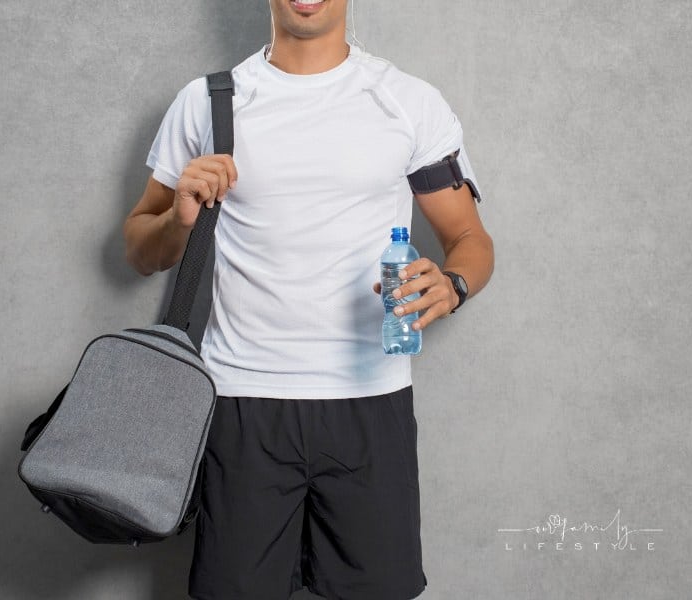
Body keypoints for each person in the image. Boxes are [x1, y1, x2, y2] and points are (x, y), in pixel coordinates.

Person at [124, 1, 494, 597]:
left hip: (370, 402)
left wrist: (450, 286)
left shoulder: (406, 101)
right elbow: (140, 252)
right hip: (241, 403)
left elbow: (470, 239)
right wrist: (180, 221)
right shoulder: (210, 101)